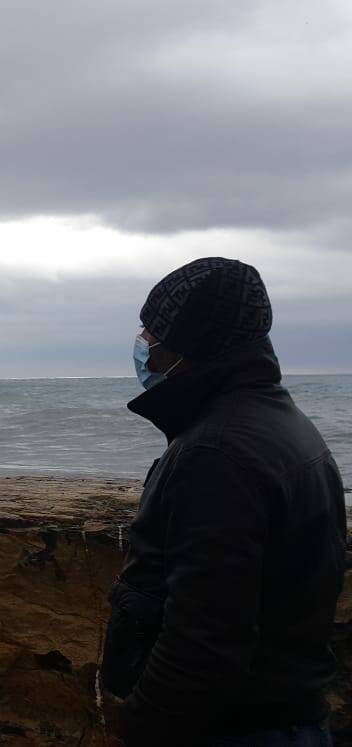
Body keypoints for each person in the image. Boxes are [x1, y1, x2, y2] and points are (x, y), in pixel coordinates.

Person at [102, 258, 345, 746]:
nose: (143, 343)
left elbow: (203, 641)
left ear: (185, 343)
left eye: (151, 331)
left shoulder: (216, 453)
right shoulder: (279, 424)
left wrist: (142, 729)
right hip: (283, 716)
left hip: (234, 729)